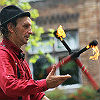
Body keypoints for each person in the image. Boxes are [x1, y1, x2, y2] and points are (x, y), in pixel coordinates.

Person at [0, 5, 71, 100]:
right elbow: (10, 86)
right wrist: (46, 83)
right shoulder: (2, 54)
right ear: (11, 28)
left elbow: (34, 94)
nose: (31, 32)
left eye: (30, 27)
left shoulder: (19, 57)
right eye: (26, 26)